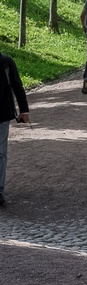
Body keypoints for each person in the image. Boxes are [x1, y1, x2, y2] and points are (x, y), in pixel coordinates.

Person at [0, 52, 30, 207]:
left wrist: (24, 109)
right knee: (0, 153)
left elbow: (17, 85)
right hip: (3, 113)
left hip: (2, 114)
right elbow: (17, 85)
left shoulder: (5, 62)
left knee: (0, 152)